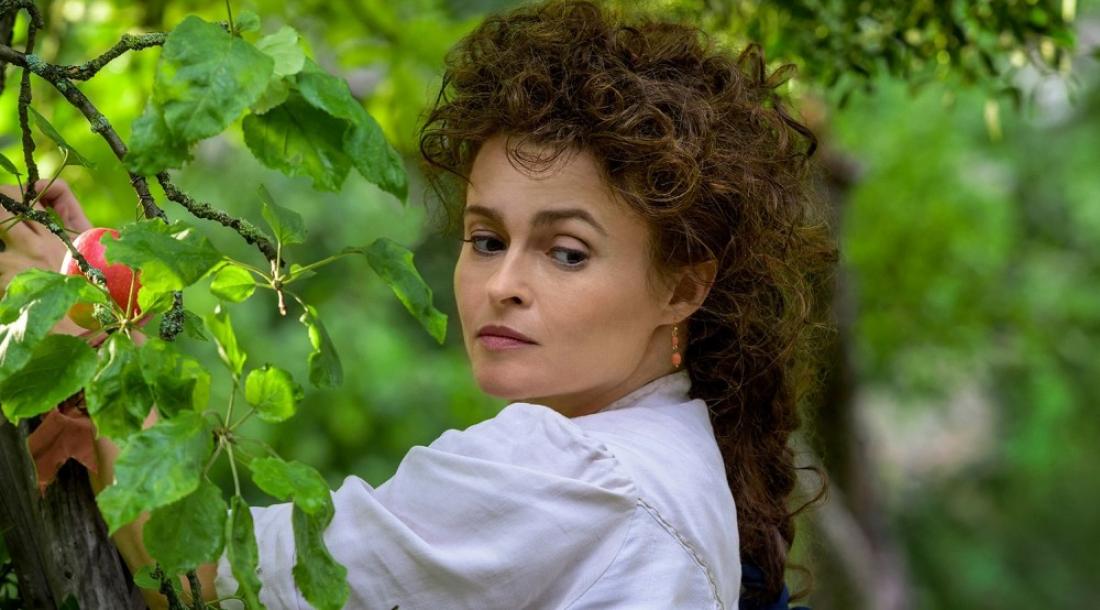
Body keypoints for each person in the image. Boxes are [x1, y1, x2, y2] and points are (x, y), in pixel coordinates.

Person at [1, 0, 834, 607]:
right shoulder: (677, 455)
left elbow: (206, 580)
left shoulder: (566, 471)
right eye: (486, 239)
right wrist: (100, 279)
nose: (503, 283)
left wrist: (87, 319)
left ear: (684, 286)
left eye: (567, 252)